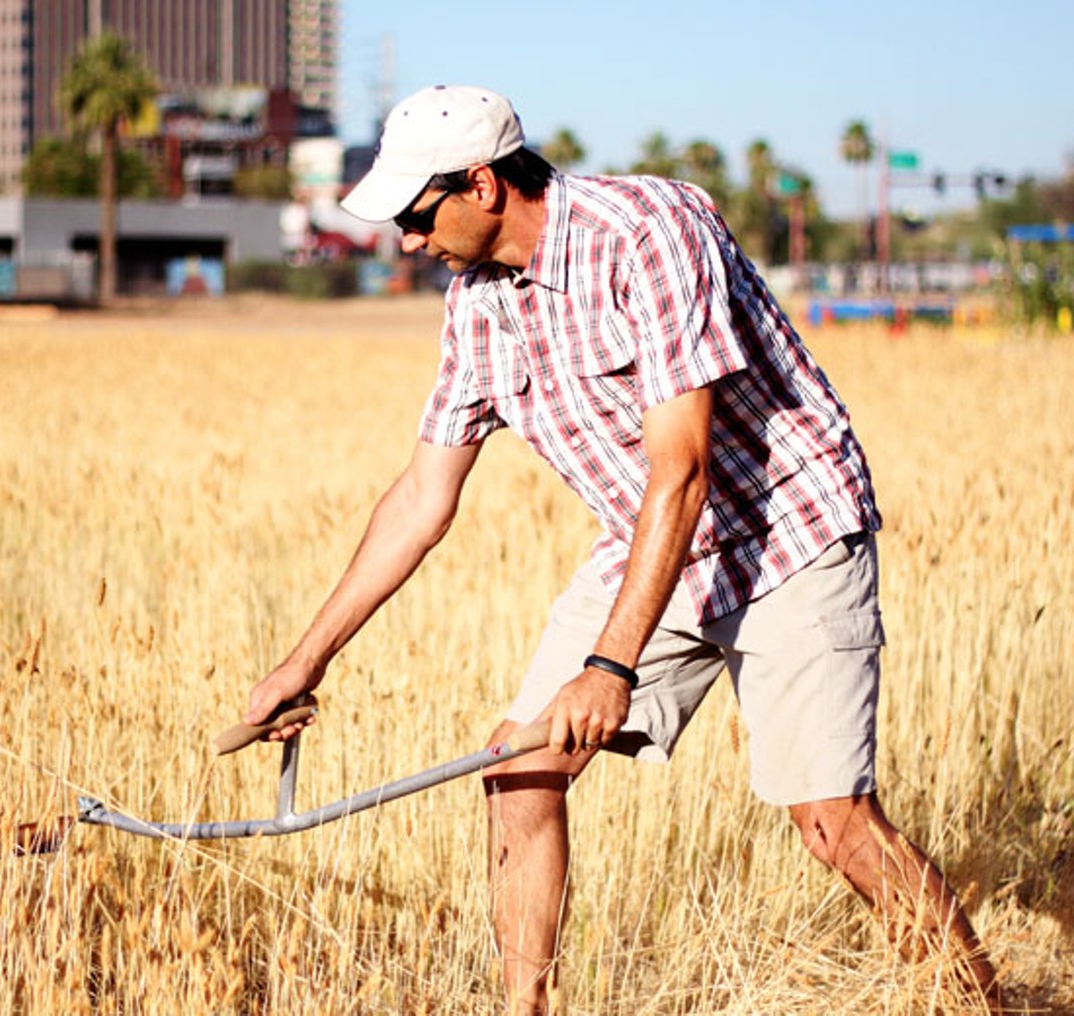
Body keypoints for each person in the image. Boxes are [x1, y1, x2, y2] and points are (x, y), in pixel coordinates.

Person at [244, 84, 1000, 1014]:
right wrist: (303, 660)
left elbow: (681, 470)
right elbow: (419, 498)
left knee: (832, 821)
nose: (406, 239)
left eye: (414, 213)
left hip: (785, 528)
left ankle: (987, 1006)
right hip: (648, 543)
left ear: (481, 185)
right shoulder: (474, 306)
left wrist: (610, 665)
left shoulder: (647, 230)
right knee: (517, 768)